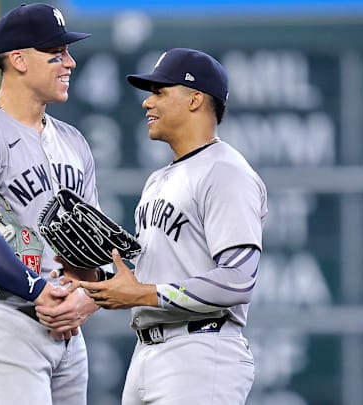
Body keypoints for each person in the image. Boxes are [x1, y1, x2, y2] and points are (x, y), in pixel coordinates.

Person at [71, 48, 269, 405]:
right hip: (149, 351)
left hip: (201, 352)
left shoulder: (226, 172)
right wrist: (96, 285)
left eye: (160, 91)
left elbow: (238, 280)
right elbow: (155, 273)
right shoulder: (158, 180)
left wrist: (144, 294)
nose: (147, 103)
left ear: (195, 99)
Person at [0, 3, 101, 404]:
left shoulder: (74, 143)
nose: (70, 63)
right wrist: (38, 289)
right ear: (19, 59)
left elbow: (88, 248)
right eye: (56, 54)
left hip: (63, 331)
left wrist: (85, 299)